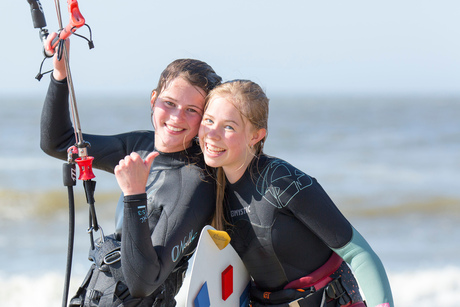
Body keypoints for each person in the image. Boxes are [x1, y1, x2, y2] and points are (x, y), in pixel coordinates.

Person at [40, 38, 222, 306]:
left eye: (191, 110)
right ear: (153, 99)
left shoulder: (196, 182)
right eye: (169, 103)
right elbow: (57, 142)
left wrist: (134, 194)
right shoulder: (140, 145)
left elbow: (143, 282)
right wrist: (60, 74)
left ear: (205, 118)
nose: (176, 117)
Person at [198, 80, 394, 307]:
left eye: (229, 126)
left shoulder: (282, 181)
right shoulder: (212, 189)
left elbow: (359, 255)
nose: (212, 134)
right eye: (208, 121)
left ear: (255, 136)